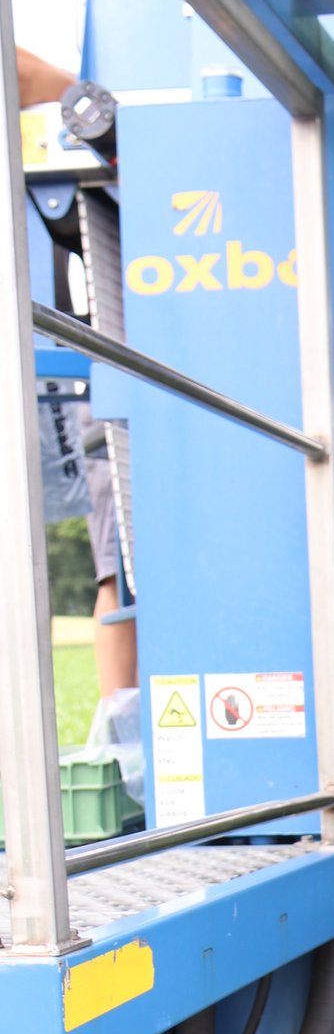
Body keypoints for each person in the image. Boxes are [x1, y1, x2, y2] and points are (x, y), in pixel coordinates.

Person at [20, 44, 137, 697]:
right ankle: (128, 743)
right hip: (93, 356)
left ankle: (130, 745)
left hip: (114, 329)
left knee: (120, 563)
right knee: (117, 566)